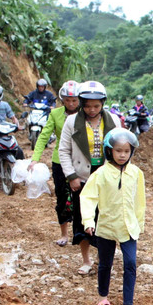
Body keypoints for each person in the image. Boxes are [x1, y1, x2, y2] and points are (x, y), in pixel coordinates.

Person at [80, 129, 145, 305]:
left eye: (126, 151)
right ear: (110, 151)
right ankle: (103, 297)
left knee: (131, 263)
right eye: (118, 151)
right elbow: (88, 197)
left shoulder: (136, 173)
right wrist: (89, 221)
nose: (123, 155)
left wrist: (139, 223)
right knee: (106, 263)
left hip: (128, 227)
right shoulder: (101, 174)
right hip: (107, 225)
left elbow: (140, 200)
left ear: (131, 151)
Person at [58, 80, 122, 275]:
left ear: (103, 103)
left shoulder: (113, 121)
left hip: (106, 177)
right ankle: (86, 260)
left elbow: (121, 148)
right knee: (82, 219)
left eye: (96, 106)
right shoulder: (71, 122)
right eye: (87, 105)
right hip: (82, 177)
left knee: (104, 218)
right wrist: (72, 176)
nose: (92, 110)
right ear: (81, 103)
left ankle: (103, 259)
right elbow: (64, 150)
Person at [31, 80, 80, 246]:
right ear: (62, 100)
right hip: (60, 161)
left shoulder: (86, 115)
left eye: (74, 100)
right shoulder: (55, 115)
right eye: (68, 100)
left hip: (81, 161)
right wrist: (35, 158)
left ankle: (82, 234)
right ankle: (64, 234)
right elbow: (44, 136)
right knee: (62, 197)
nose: (71, 103)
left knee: (82, 197)